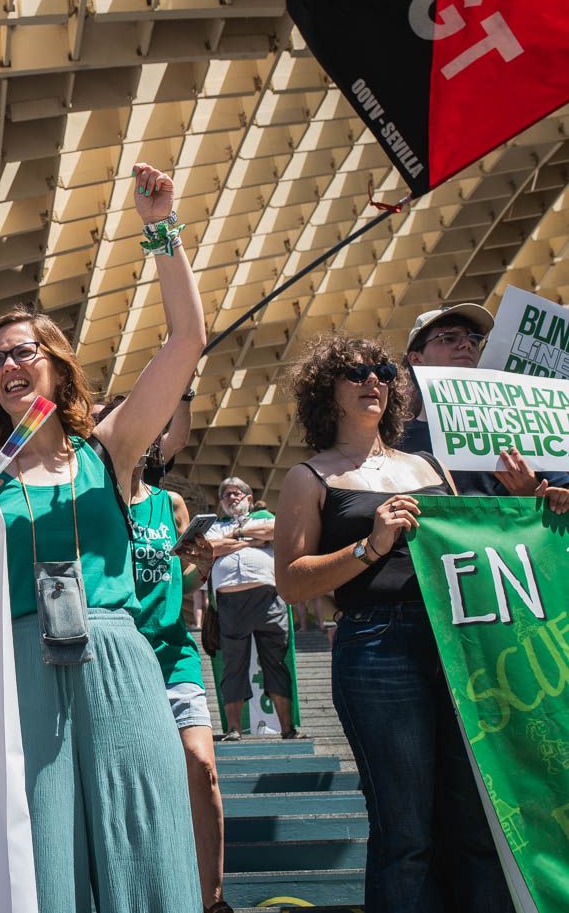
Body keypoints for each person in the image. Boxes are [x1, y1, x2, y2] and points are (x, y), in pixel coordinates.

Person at [0, 163, 205, 912]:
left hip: (118, 654)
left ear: (56, 363)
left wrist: (162, 229)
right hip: (21, 660)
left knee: (145, 838)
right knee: (44, 853)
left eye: (23, 351)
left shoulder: (110, 448)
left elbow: (187, 339)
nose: (7, 366)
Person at [274, 332, 514, 913]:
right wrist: (370, 546)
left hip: (456, 642)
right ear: (326, 391)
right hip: (378, 645)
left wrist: (529, 502)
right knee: (405, 829)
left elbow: (475, 546)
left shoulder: (427, 465)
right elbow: (291, 580)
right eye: (356, 373)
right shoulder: (311, 477)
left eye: (382, 370)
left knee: (478, 823)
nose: (374, 380)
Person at [111, 424, 226, 911]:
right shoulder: (91, 502)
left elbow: (183, 578)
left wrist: (203, 561)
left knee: (201, 767)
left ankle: (212, 899)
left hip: (173, 651)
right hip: (118, 658)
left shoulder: (170, 504)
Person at [401, 303, 569, 496]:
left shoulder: (517, 424)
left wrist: (531, 493)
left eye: (474, 340)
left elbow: (560, 496)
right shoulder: (392, 440)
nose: (466, 345)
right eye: (448, 338)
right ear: (416, 359)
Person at [206, 476, 300, 740]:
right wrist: (249, 541)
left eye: (237, 493)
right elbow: (210, 547)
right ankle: (233, 728)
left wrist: (236, 534)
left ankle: (287, 728)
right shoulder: (214, 526)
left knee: (276, 662)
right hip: (230, 603)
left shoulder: (263, 517)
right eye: (226, 495)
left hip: (268, 599)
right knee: (233, 664)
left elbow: (275, 530)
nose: (231, 498)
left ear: (248, 497)